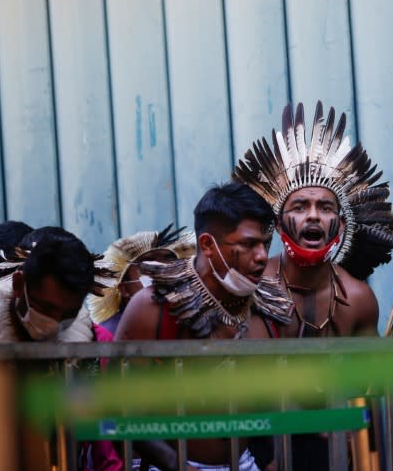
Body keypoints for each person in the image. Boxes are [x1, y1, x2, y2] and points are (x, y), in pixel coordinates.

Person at [234, 101, 393, 469]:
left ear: (339, 225)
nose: (312, 215)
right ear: (277, 225)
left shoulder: (357, 299)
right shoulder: (252, 287)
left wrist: (364, 459)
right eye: (300, 205)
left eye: (325, 207)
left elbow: (366, 396)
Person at [114, 182, 285, 471]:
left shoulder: (268, 305)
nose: (261, 257)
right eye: (248, 244)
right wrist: (177, 465)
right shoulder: (153, 307)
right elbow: (118, 407)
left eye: (265, 244)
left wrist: (269, 459)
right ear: (207, 245)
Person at [0, 225, 98, 343]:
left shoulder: (83, 335)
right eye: (46, 309)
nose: (55, 324)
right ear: (18, 284)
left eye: (69, 315)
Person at [88, 223, 194, 337]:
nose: (161, 267)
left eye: (168, 259)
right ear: (124, 289)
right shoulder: (107, 335)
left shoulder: (191, 323)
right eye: (147, 262)